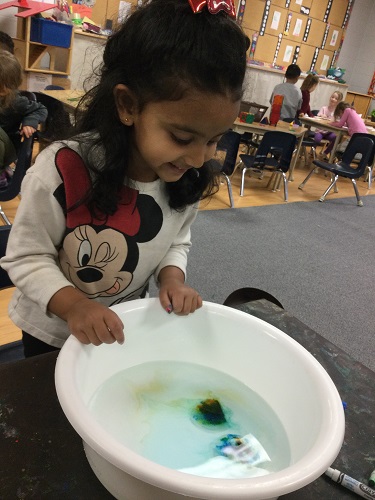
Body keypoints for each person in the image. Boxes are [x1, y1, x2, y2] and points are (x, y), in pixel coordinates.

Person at [0, 0, 249, 357]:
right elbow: (25, 258)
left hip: (123, 325)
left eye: (214, 140)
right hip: (52, 334)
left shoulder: (183, 176)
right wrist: (75, 306)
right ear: (128, 106)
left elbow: (177, 240)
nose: (198, 159)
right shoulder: (62, 169)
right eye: (181, 138)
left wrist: (172, 278)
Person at [0, 50, 47, 188]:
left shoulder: (16, 101)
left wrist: (30, 123)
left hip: (7, 151)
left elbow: (40, 109)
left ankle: (2, 173)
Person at [314, 90, 344, 158]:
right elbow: (318, 116)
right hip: (320, 131)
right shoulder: (324, 108)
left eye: (336, 99)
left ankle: (325, 153)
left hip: (329, 132)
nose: (333, 99)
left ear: (339, 101)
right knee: (317, 139)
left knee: (336, 139)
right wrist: (321, 115)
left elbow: (339, 122)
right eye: (332, 97)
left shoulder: (337, 112)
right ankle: (313, 150)